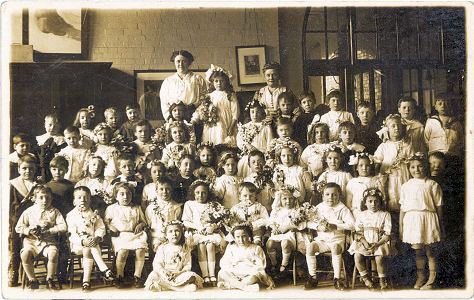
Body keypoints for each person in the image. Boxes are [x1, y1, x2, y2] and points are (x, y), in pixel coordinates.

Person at [400, 153, 444, 290]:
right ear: (409, 169)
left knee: (430, 251)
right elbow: (403, 207)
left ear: (426, 167)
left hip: (428, 219)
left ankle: (432, 280)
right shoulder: (406, 186)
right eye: (413, 167)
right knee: (418, 251)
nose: (416, 170)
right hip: (412, 220)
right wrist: (401, 226)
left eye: (420, 166)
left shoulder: (432, 184)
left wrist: (440, 226)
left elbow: (439, 207)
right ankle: (421, 277)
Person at [15, 185, 67, 290]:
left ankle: (50, 278)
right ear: (34, 199)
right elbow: (18, 227)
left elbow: (63, 226)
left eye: (47, 198)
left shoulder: (54, 212)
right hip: (31, 242)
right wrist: (28, 230)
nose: (44, 201)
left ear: (51, 198)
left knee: (53, 253)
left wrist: (51, 230)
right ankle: (32, 280)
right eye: (41, 198)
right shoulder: (28, 212)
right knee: (25, 254)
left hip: (48, 242)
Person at [304, 183, 355, 290]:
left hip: (338, 241)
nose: (330, 197)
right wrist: (318, 226)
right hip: (322, 241)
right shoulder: (318, 208)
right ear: (322, 196)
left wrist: (336, 226)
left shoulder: (342, 209)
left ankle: (337, 278)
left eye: (334, 195)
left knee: (335, 248)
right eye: (327, 194)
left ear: (339, 196)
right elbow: (308, 223)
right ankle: (313, 276)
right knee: (310, 247)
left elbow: (352, 225)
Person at [66, 186, 115, 291]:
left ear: (90, 200)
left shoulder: (94, 214)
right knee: (88, 248)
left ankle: (86, 282)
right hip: (77, 245)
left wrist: (98, 237)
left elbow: (100, 227)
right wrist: (83, 241)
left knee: (89, 248)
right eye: (79, 198)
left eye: (86, 197)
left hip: (93, 242)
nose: (83, 200)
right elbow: (72, 234)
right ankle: (104, 269)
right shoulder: (71, 215)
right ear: (74, 201)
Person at [374, 114, 414, 233]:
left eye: (398, 126)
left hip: (403, 177)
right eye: (393, 126)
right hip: (389, 180)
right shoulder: (384, 146)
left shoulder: (407, 145)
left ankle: (405, 234)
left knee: (404, 202)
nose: (396, 128)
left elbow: (413, 162)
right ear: (387, 129)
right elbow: (376, 162)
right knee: (391, 202)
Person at [182, 180, 227, 287]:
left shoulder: (213, 205)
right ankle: (205, 275)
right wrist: (198, 227)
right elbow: (186, 221)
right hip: (197, 232)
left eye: (204, 193)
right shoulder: (189, 204)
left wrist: (212, 227)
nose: (200, 195)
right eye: (197, 192)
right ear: (193, 193)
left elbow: (222, 220)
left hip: (211, 233)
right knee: (201, 246)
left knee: (210, 246)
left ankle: (212, 275)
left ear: (208, 193)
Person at [104, 182, 148, 288]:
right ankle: (119, 276)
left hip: (135, 235)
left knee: (140, 251)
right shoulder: (111, 208)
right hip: (120, 235)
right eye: (122, 194)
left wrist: (141, 224)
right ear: (116, 196)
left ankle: (137, 276)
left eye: (128, 194)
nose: (125, 197)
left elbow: (144, 221)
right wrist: (110, 226)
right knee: (123, 252)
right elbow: (105, 222)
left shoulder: (136, 208)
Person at [348, 188, 393, 290]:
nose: (373, 204)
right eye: (370, 201)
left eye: (376, 201)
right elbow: (358, 233)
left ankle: (382, 279)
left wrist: (377, 244)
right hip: (364, 243)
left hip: (380, 242)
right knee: (357, 256)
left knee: (379, 257)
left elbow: (387, 234)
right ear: (365, 202)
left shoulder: (385, 214)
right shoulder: (361, 215)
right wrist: (364, 242)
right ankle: (366, 279)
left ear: (380, 202)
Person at [266, 184, 309, 283]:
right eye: (285, 199)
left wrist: (288, 227)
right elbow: (270, 221)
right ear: (280, 199)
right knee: (270, 243)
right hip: (278, 234)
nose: (288, 201)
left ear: (295, 200)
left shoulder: (298, 211)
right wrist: (274, 227)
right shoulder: (277, 211)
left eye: (291, 199)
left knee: (285, 243)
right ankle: (275, 264)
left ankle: (283, 266)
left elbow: (302, 225)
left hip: (292, 235)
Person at [144, 221, 203, 292]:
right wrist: (164, 271)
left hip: (179, 274)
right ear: (165, 235)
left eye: (177, 231)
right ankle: (179, 289)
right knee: (153, 275)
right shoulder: (162, 247)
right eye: (170, 231)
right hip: (165, 274)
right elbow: (157, 264)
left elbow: (187, 265)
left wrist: (179, 273)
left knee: (192, 276)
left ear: (181, 233)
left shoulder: (185, 248)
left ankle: (164, 286)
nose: (174, 234)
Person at [217, 223, 275, 291]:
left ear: (249, 236)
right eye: (238, 237)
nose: (241, 240)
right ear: (234, 237)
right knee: (222, 273)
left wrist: (250, 270)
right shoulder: (231, 247)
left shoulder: (256, 248)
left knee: (252, 278)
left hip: (249, 272)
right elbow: (225, 262)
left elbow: (260, 266)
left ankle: (231, 285)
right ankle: (245, 287)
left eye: (244, 236)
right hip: (234, 271)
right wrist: (232, 268)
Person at [8, 154, 37, 287]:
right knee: (15, 245)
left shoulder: (37, 186)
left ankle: (31, 274)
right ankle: (13, 272)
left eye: (31, 169)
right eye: (24, 168)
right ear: (19, 169)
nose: (28, 171)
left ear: (35, 169)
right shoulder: (13, 185)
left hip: (32, 220)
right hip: (16, 219)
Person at [197, 64, 239, 146]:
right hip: (213, 123)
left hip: (226, 122)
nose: (219, 83)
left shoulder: (230, 95)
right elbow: (204, 109)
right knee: (213, 140)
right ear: (212, 82)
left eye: (221, 81)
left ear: (226, 82)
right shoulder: (210, 95)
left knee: (224, 140)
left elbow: (236, 113)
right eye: (216, 81)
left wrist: (231, 126)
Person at [160, 50, 207, 121]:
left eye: (184, 61)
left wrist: (196, 116)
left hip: (193, 115)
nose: (180, 64)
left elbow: (204, 98)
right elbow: (164, 101)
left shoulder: (197, 79)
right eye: (178, 61)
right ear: (174, 63)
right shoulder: (168, 81)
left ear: (189, 63)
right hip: (174, 117)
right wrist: (169, 118)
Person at [236, 98, 273, 178]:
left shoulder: (266, 127)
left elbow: (270, 143)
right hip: (249, 156)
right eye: (252, 112)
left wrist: (265, 153)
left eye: (257, 112)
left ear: (262, 113)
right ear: (249, 113)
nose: (255, 115)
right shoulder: (245, 127)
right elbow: (239, 141)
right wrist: (246, 146)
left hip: (262, 156)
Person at [145, 177, 183, 252]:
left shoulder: (176, 207)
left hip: (173, 237)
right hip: (157, 237)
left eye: (167, 189)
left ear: (171, 190)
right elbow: (149, 224)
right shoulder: (151, 207)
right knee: (161, 250)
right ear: (156, 191)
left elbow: (178, 224)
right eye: (161, 189)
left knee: (174, 249)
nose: (164, 192)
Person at [346, 152, 385, 218]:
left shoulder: (375, 181)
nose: (364, 168)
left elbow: (382, 198)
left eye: (367, 165)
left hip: (373, 213)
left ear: (370, 167)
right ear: (356, 167)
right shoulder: (352, 182)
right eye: (361, 165)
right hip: (356, 214)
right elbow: (348, 202)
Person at [271, 140, 309, 205]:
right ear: (279, 157)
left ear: (294, 156)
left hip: (299, 203)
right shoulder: (277, 169)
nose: (287, 159)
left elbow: (308, 188)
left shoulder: (300, 170)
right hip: (283, 203)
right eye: (283, 156)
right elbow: (276, 187)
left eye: (290, 155)